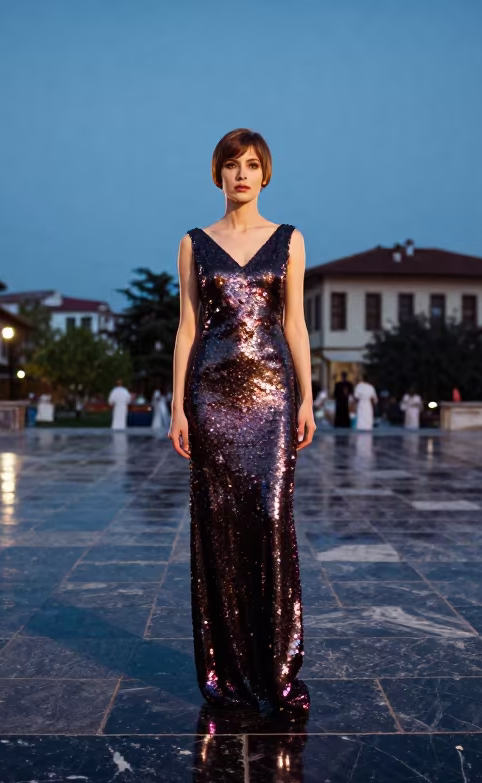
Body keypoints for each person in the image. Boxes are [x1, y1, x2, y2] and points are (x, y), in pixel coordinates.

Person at [167, 128, 314, 718]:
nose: (242, 175)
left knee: (271, 519)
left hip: (273, 395)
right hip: (211, 394)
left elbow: (296, 325)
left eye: (252, 165)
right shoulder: (193, 243)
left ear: (265, 173)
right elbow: (186, 329)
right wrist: (177, 405)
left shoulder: (290, 241)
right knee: (219, 526)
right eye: (231, 165)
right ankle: (225, 672)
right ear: (218, 175)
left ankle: (276, 669)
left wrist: (306, 398)